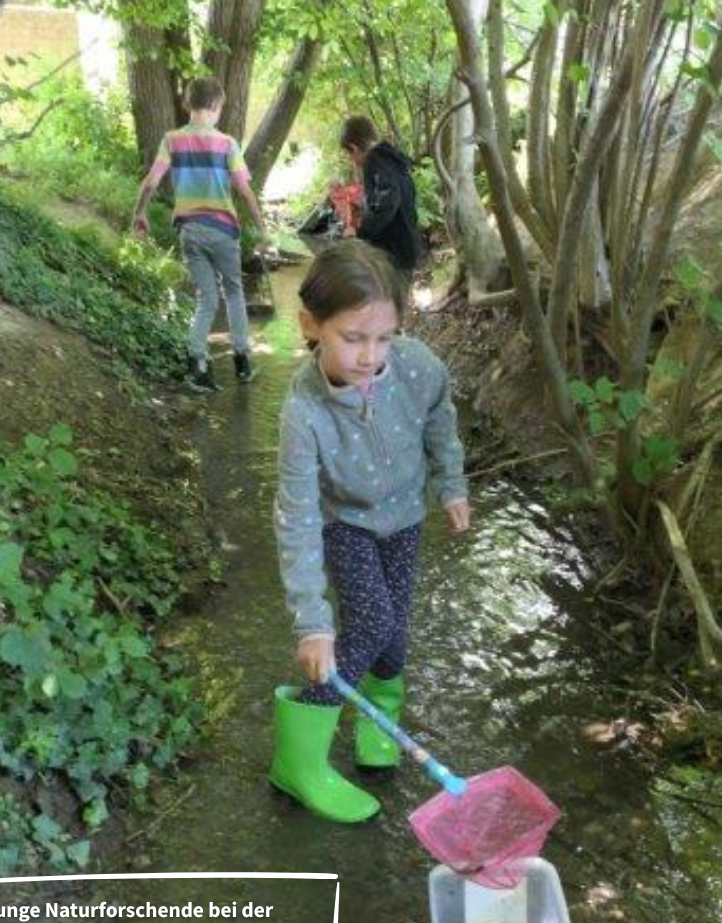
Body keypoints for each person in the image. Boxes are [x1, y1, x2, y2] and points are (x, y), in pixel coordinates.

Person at [271, 240, 470, 823]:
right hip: (346, 524)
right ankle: (298, 761)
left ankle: (377, 724)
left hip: (405, 516)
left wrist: (451, 483)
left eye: (383, 337)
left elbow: (441, 418)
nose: (370, 356)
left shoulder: (415, 366)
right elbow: (297, 514)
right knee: (370, 622)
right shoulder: (303, 414)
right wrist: (312, 623)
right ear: (310, 325)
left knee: (394, 632)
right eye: (352, 338)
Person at [132, 76, 266, 393]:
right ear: (217, 106)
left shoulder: (172, 140)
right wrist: (261, 227)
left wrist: (139, 214)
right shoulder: (227, 144)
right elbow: (245, 191)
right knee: (234, 294)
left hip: (190, 231)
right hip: (223, 231)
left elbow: (150, 182)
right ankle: (243, 363)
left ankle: (199, 367)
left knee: (206, 299)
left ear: (187, 104)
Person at [339, 116, 423, 294]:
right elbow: (394, 197)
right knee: (393, 307)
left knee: (389, 307)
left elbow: (388, 200)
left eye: (349, 155)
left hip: (394, 254)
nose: (351, 160)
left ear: (354, 148)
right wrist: (363, 204)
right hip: (405, 247)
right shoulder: (391, 158)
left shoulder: (375, 160)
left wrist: (360, 231)